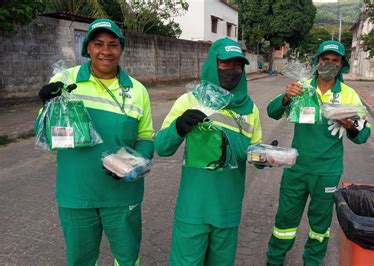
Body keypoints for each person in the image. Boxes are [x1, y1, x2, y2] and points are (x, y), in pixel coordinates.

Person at [35, 18, 154, 265]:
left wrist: (138, 164)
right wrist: (48, 106)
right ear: (87, 47)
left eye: (113, 44)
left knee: (128, 258)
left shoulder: (137, 90)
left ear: (121, 48)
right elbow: (44, 134)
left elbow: (146, 138)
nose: (106, 51)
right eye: (98, 44)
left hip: (123, 195)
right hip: (77, 195)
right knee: (81, 260)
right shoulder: (66, 80)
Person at [154, 37, 262, 265]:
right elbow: (161, 147)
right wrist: (179, 127)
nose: (232, 70)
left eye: (238, 65)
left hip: (228, 211)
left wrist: (266, 155)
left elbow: (254, 152)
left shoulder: (249, 108)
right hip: (193, 209)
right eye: (225, 63)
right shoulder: (189, 100)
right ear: (213, 63)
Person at [265, 40, 371, 265]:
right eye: (325, 60)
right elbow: (272, 112)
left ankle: (312, 261)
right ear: (317, 61)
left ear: (342, 65)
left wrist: (350, 125)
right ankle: (274, 261)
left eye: (335, 61)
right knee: (284, 221)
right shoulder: (302, 87)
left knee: (319, 226)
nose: (329, 64)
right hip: (296, 168)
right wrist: (286, 97)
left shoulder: (349, 95)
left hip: (327, 171)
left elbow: (362, 135)